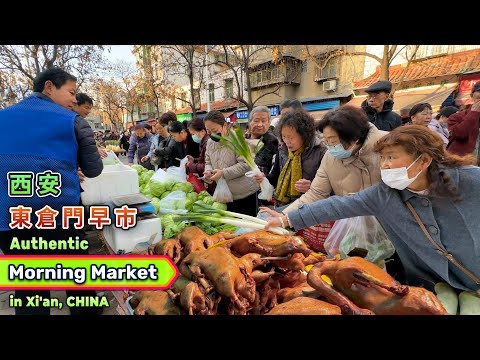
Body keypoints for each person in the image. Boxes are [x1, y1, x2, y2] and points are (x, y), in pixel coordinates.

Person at [264, 125, 480, 293]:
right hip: (430, 286)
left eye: (392, 157)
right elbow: (337, 205)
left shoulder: (471, 180)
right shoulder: (384, 194)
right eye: (383, 158)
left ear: (423, 160)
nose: (384, 165)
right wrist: (287, 219)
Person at [0, 67, 104, 315]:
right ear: (49, 87)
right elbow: (93, 169)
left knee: (30, 287)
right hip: (59, 217)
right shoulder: (73, 120)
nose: (73, 99)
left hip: (10, 218)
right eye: (70, 92)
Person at [254, 109, 326, 208]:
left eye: (291, 137)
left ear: (304, 135)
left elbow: (328, 186)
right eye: (284, 137)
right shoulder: (283, 150)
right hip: (283, 205)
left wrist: (311, 186)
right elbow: (275, 176)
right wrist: (264, 178)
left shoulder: (320, 152)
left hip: (309, 206)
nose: (287, 141)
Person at [203, 110, 259, 216]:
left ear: (224, 125)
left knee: (248, 229)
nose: (211, 134)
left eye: (214, 130)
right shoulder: (210, 143)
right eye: (208, 131)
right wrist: (208, 171)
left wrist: (223, 173)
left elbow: (245, 165)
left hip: (245, 194)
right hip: (225, 195)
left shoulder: (237, 140)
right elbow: (208, 161)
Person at [447, 81, 480, 157]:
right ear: (472, 96)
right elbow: (460, 134)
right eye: (478, 97)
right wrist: (474, 113)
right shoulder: (456, 117)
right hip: (462, 163)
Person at [246, 106, 279, 175]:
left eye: (263, 121)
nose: (260, 124)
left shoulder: (272, 142)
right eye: (256, 121)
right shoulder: (244, 140)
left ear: (269, 123)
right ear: (250, 122)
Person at [186, 118, 213, 193]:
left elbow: (207, 165)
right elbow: (204, 159)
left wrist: (191, 166)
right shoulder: (203, 142)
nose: (192, 137)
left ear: (202, 131)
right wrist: (194, 160)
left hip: (211, 181)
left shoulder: (208, 143)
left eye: (193, 134)